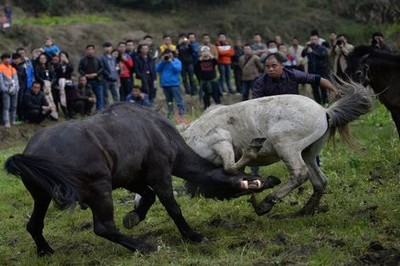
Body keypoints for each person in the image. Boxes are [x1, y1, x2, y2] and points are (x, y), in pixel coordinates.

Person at [251, 53, 338, 174]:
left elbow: (317, 79)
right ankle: (254, 172)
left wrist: (334, 89)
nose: (270, 69)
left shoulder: (292, 74)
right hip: (270, 118)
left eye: (274, 66)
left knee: (307, 139)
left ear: (282, 65)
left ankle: (315, 166)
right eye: (267, 66)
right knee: (255, 141)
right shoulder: (260, 83)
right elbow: (256, 107)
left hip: (293, 115)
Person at [302, 32, 330, 105]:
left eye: (315, 39)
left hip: (321, 71)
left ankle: (326, 102)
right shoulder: (308, 48)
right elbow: (302, 54)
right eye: (312, 39)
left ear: (318, 40)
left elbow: (322, 56)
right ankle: (318, 104)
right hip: (312, 71)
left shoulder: (322, 48)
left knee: (323, 88)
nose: (313, 41)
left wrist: (312, 52)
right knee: (314, 89)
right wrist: (305, 48)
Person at [155, 49, 185, 120]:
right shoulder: (162, 63)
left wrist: (171, 62)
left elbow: (177, 70)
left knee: (178, 101)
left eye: (170, 55)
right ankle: (170, 114)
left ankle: (181, 114)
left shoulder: (177, 61)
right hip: (165, 85)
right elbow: (156, 69)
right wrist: (162, 62)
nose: (168, 56)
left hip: (174, 84)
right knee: (169, 101)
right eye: (166, 55)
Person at [78, 44, 104, 112]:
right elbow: (79, 69)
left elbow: (102, 68)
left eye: (91, 49)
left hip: (97, 80)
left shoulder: (98, 59)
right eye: (88, 49)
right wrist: (85, 75)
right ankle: (88, 110)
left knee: (99, 96)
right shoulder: (83, 59)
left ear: (94, 50)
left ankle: (99, 110)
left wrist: (96, 74)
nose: (90, 51)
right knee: (88, 96)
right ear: (86, 50)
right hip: (87, 81)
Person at [34, 52, 58, 120]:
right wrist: (44, 82)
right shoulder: (37, 67)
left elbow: (54, 76)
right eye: (41, 58)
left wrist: (51, 82)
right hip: (42, 85)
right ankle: (48, 114)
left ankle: (54, 113)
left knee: (52, 99)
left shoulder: (50, 66)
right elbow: (37, 76)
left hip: (50, 85)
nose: (43, 59)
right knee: (46, 99)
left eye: (44, 58)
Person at [0, 53, 19, 128]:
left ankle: (13, 120)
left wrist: (16, 88)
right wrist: (4, 89)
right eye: (5, 58)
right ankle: (6, 122)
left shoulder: (12, 68)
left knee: (14, 106)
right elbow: (1, 80)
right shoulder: (0, 68)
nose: (7, 60)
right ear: (2, 60)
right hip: (6, 90)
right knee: (6, 106)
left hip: (14, 89)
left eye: (8, 58)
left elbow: (16, 79)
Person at [53, 51, 74, 117]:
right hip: (60, 83)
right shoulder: (57, 64)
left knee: (69, 98)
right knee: (62, 97)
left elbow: (71, 69)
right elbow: (56, 70)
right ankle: (65, 113)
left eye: (64, 56)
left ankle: (70, 112)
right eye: (61, 56)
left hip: (68, 82)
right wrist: (60, 63)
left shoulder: (69, 63)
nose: (62, 57)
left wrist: (67, 62)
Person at [100, 42, 120, 107]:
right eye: (106, 47)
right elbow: (102, 68)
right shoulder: (102, 58)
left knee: (116, 94)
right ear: (103, 48)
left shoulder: (114, 57)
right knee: (105, 94)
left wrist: (116, 76)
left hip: (114, 78)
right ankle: (106, 108)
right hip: (106, 79)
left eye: (109, 47)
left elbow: (116, 67)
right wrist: (108, 75)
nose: (108, 48)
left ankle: (117, 107)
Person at [11, 53, 27, 121]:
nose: (16, 60)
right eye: (14, 59)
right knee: (13, 102)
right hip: (12, 87)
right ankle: (13, 117)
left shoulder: (22, 67)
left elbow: (24, 78)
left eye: (18, 59)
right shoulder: (10, 67)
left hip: (21, 86)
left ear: (20, 59)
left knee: (20, 102)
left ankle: (20, 117)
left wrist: (24, 87)